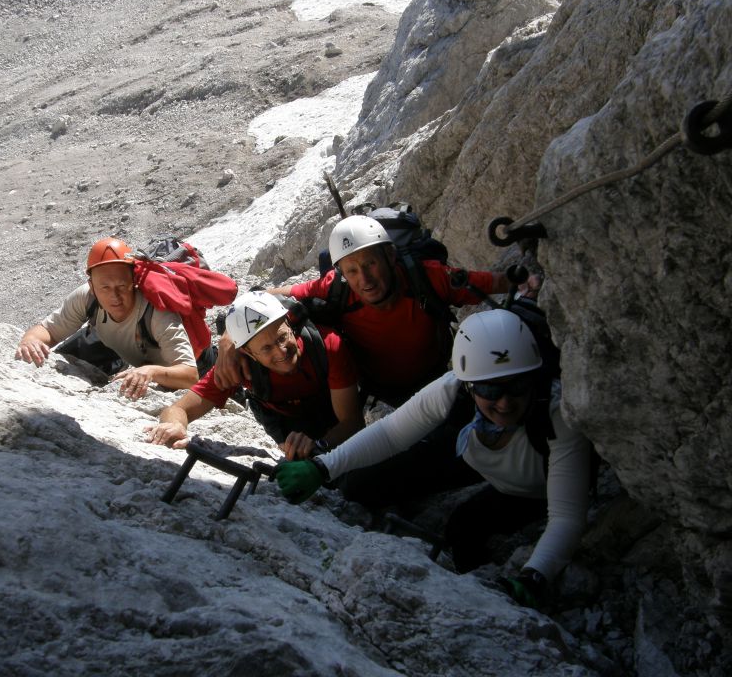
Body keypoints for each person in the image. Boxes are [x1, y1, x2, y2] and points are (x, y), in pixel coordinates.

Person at [275, 310, 592, 608]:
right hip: (472, 453)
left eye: (518, 386)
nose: (505, 402)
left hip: (531, 490)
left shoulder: (557, 417)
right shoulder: (453, 391)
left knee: (463, 528)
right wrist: (323, 466)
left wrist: (534, 576)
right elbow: (391, 433)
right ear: (468, 385)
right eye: (490, 389)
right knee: (360, 486)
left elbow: (565, 515)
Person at [215, 215, 513, 407]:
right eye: (353, 270)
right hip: (379, 395)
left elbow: (491, 283)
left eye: (370, 264)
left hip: (437, 383)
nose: (364, 279)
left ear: (390, 256)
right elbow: (262, 299)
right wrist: (229, 337)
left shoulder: (426, 277)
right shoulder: (336, 287)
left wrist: (531, 277)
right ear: (342, 271)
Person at [146, 292, 364, 460]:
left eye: (282, 338)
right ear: (248, 353)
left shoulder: (327, 346)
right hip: (286, 426)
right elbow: (178, 409)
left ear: (289, 323)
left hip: (332, 417)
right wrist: (175, 425)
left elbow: (352, 422)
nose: (281, 352)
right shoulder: (240, 367)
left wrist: (319, 446)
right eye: (267, 348)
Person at [16, 237, 199, 400]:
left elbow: (190, 376)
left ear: (134, 282)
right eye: (105, 288)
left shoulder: (157, 313)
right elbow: (47, 330)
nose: (115, 297)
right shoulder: (86, 298)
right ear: (92, 286)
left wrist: (151, 371)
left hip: (196, 364)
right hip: (129, 353)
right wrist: (30, 340)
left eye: (122, 286)